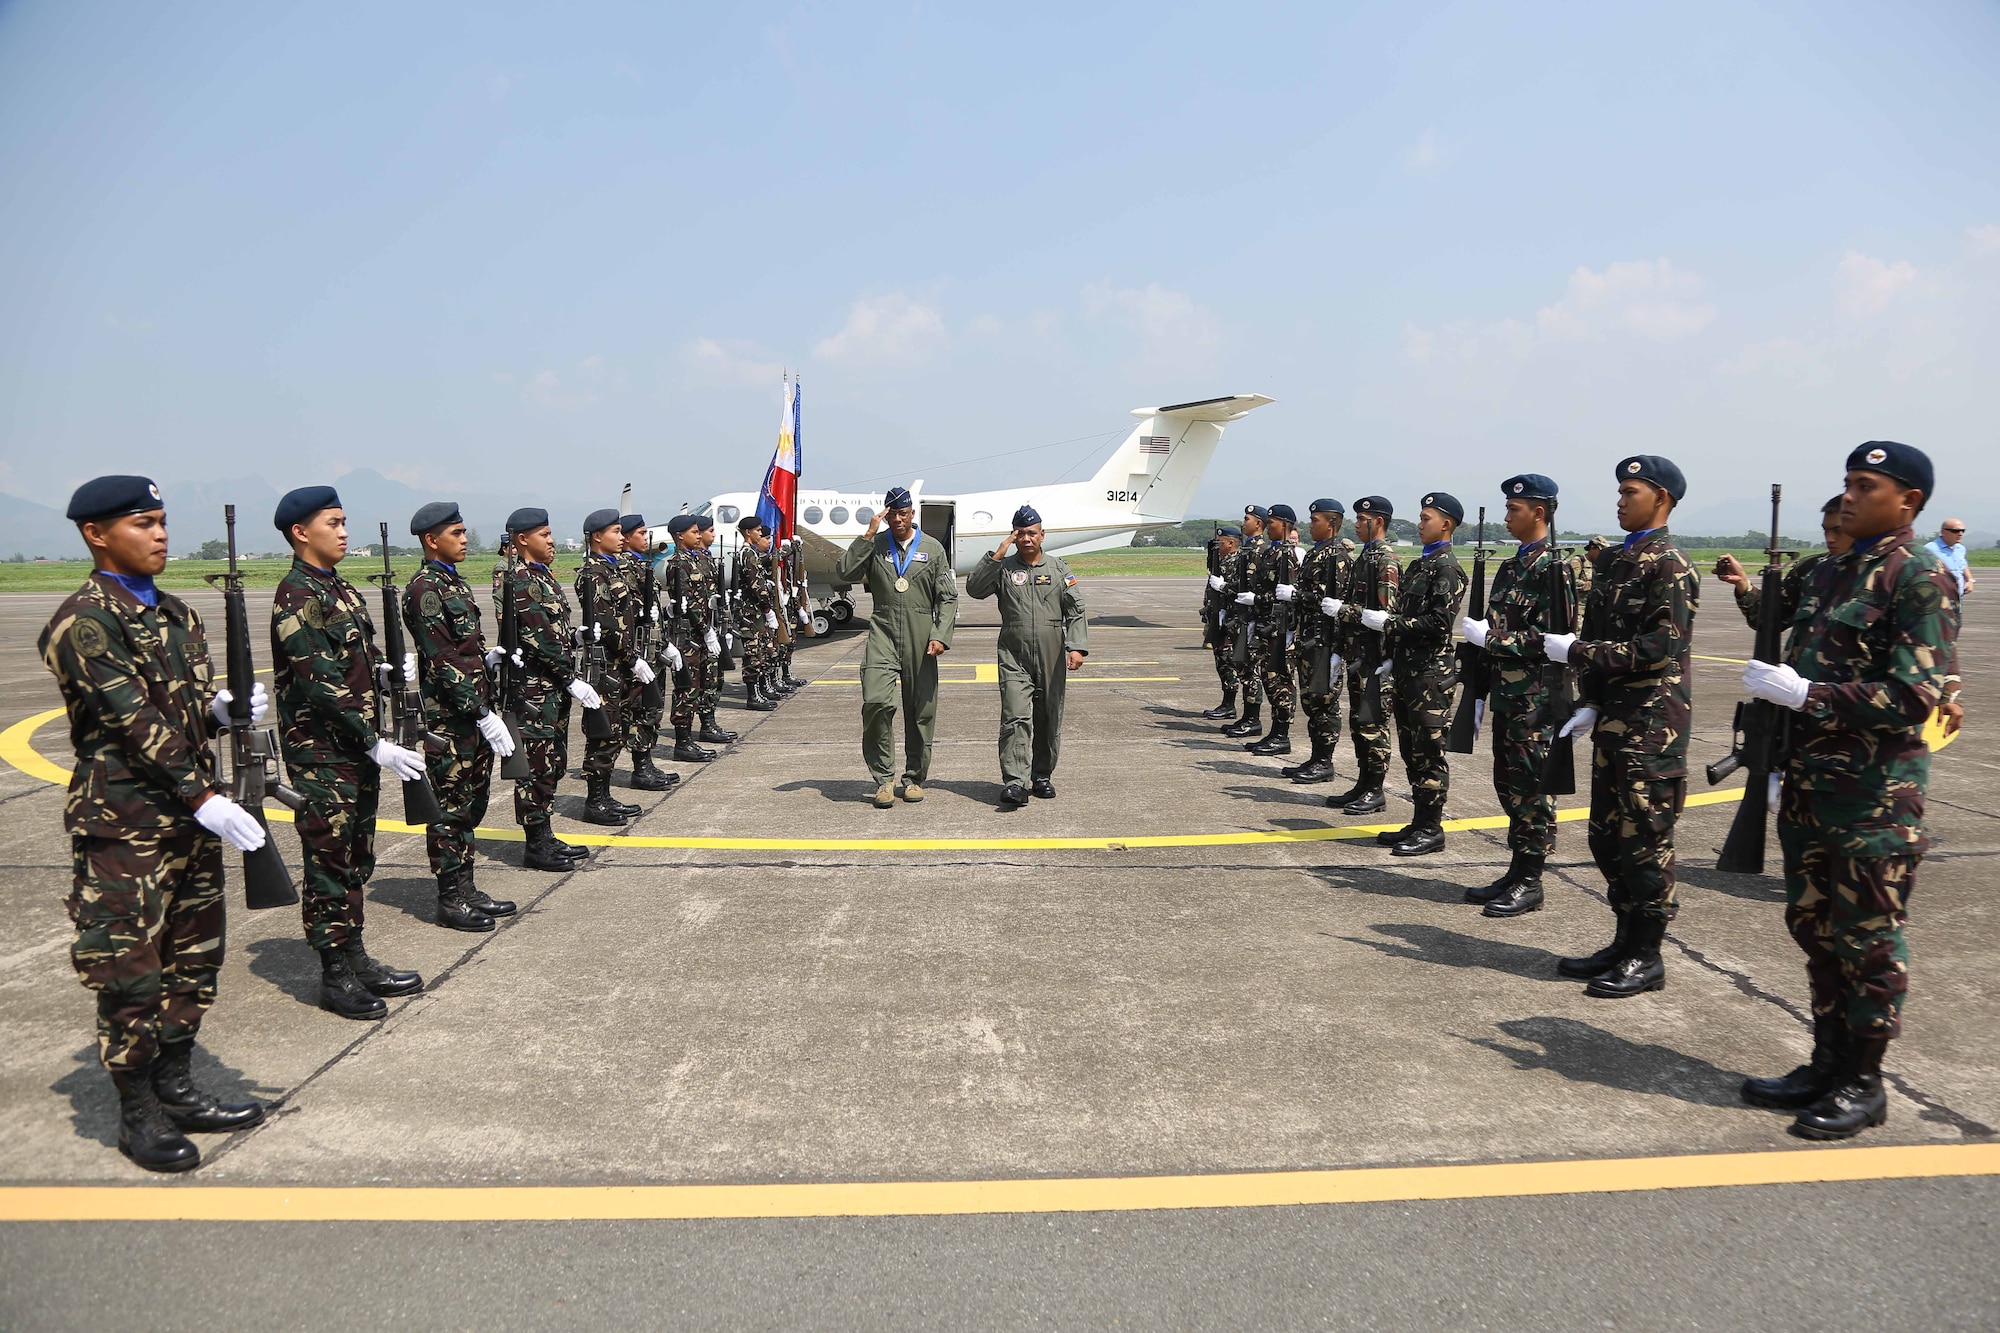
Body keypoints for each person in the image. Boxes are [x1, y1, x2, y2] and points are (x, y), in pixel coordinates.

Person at [38, 475, 269, 1172]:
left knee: (193, 962)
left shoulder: (177, 614)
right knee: (131, 973)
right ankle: (137, 1108)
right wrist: (206, 796)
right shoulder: (83, 622)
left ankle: (177, 1083)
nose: (160, 534)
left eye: (163, 520)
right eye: (143, 522)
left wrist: (220, 711)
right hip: (126, 827)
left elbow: (182, 709)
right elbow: (131, 722)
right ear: (96, 533)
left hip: (190, 825)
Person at [1738, 441, 1957, 1140]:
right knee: (1814, 928)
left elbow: (1917, 694)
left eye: (1866, 486)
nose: (1850, 497)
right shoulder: (1833, 573)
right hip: (1810, 785)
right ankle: (1826, 1062)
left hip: (1872, 797)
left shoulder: (1917, 576)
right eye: (1848, 484)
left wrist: (1811, 695)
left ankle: (1865, 1081)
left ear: (1908, 501)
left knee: (1868, 941)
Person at [268, 485, 426, 1020]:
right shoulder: (296, 595)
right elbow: (319, 682)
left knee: (357, 854)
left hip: (353, 750)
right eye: (333, 523)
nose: (343, 531)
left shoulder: (341, 589)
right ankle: (334, 973)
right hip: (323, 753)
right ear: (300, 532)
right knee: (329, 859)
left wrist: (383, 670)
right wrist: (372, 741)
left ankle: (355, 954)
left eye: (343, 521)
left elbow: (358, 651)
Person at [1544, 456, 1699, 998]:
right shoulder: (1616, 561)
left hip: (1651, 726)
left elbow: (1658, 649)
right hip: (1614, 720)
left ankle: (1647, 954)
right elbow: (1600, 628)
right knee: (1607, 837)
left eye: (1629, 492)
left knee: (1646, 839)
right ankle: (1623, 940)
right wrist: (1589, 698)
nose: (1619, 500)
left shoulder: (1670, 565)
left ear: (1661, 497)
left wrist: (1579, 652)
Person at [1460, 474, 1575, 914]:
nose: (1508, 516)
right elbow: (1501, 626)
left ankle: (1531, 879)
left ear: (1539, 513)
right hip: (1508, 697)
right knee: (1507, 785)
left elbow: (1554, 639)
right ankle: (1516, 868)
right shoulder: (1510, 567)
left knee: (1532, 789)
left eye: (1514, 509)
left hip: (1536, 701)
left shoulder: (1555, 570)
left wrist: (1490, 642)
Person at [402, 501, 518, 931]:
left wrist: (488, 659)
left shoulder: (455, 585)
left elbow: (464, 649)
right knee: (449, 807)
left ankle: (466, 886)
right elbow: (442, 660)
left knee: (472, 802)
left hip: (473, 710)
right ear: (432, 541)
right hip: (452, 718)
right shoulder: (424, 590)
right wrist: (482, 711)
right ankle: (450, 896)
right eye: (457, 533)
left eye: (465, 531)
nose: (466, 539)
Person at [834, 486, 959, 808]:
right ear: (885, 514)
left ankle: (914, 778)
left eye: (903, 513)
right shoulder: (875, 545)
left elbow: (946, 597)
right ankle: (883, 779)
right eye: (892, 514)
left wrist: (940, 634)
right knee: (876, 702)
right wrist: (868, 535)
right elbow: (846, 572)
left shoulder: (932, 549)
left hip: (921, 638)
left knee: (920, 712)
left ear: (912, 514)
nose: (898, 519)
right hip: (883, 633)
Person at [1361, 492, 1466, 856]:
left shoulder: (1447, 568)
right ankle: (1420, 820)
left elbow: (1438, 623)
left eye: (1426, 519)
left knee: (1429, 751)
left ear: (1446, 524)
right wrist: (1392, 654)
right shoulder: (1421, 566)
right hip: (1408, 671)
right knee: (1411, 749)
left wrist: (1390, 623)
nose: (1420, 524)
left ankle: (1432, 827)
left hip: (1429, 676)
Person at [965, 504, 1089, 805]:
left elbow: (1076, 609)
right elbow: (974, 589)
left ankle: (1042, 775)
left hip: (1052, 651)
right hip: (1013, 652)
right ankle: (1015, 782)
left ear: (1042, 535)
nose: (1026, 539)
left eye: (1031, 533)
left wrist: (1077, 646)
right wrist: (996, 554)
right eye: (1019, 534)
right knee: (1015, 716)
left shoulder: (1059, 569)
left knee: (1049, 716)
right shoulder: (1004, 568)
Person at [502, 508, 599, 870]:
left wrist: (575, 638)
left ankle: (545, 832)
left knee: (552, 763)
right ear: (523, 539)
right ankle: (535, 843)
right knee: (534, 767)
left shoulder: (543, 578)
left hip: (551, 689)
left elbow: (553, 633)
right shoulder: (521, 579)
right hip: (534, 692)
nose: (552, 540)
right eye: (544, 534)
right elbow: (538, 638)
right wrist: (570, 678)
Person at [1325, 497, 1401, 814]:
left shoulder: (1385, 560)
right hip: (1359, 656)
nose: (1356, 524)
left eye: (1362, 519)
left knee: (1373, 725)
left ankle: (1376, 789)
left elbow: (1385, 613)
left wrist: (1343, 611)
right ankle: (1363, 782)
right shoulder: (1366, 557)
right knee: (1359, 723)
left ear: (1378, 522)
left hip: (1376, 658)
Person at [575, 508, 649, 824]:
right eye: (616, 532)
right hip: (606, 666)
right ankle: (595, 802)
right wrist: (633, 659)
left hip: (619, 665)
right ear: (597, 536)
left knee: (615, 733)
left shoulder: (612, 570)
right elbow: (606, 626)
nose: (622, 537)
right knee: (603, 734)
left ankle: (603, 796)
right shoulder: (593, 575)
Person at [1285, 499, 1352, 784]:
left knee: (1325, 703)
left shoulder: (1337, 557)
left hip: (1325, 641)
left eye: (1315, 520)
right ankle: (1316, 757)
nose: (1310, 524)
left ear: (1331, 523)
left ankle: (1324, 761)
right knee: (1311, 702)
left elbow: (1331, 602)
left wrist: (1295, 596)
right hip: (1309, 639)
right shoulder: (1317, 553)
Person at [1716, 495, 1848, 627]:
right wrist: (1742, 583)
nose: (1830, 538)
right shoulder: (1811, 569)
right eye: (1826, 530)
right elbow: (1767, 619)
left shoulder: (1868, 573)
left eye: (1838, 530)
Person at [619, 514, 679, 792]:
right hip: (639, 652)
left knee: (653, 709)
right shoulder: (624, 568)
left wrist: (664, 637)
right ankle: (640, 767)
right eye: (640, 533)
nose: (645, 538)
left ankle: (647, 762)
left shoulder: (641, 566)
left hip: (653, 648)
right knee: (642, 710)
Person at [1245, 503, 1302, 757]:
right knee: (1269, 680)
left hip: (1280, 629)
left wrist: (1258, 601)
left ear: (1286, 525)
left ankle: (1282, 735)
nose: (1269, 526)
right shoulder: (1271, 553)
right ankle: (1274, 732)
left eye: (1273, 522)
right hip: (1266, 627)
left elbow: (1286, 597)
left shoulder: (1286, 554)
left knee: (1281, 682)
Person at [663, 514, 721, 764]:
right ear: (679, 536)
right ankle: (682, 741)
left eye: (699, 532)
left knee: (706, 681)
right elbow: (687, 603)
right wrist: (705, 629)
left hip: (703, 632)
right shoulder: (678, 564)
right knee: (687, 687)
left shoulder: (699, 559)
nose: (699, 535)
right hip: (688, 636)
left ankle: (705, 726)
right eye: (694, 532)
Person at [1219, 506, 1270, 738]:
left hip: (1251, 619)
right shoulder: (1250, 548)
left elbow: (1253, 586)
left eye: (1247, 519)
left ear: (1258, 523)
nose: (1243, 522)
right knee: (1243, 669)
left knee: (1251, 671)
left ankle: (1253, 719)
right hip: (1241, 617)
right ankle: (1247, 717)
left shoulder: (1260, 550)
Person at [690, 515, 738, 742]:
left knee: (714, 679)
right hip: (700, 631)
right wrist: (708, 630)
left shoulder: (706, 558)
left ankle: (709, 723)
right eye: (709, 530)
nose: (712, 534)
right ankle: (705, 726)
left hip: (714, 625)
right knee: (703, 681)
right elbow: (695, 600)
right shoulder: (693, 561)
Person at [734, 515, 782, 712]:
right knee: (753, 655)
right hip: (750, 613)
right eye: (758, 531)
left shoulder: (750, 553)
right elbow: (757, 587)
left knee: (761, 652)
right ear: (748, 532)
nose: (761, 534)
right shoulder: (748, 554)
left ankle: (759, 692)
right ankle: (753, 696)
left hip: (755, 612)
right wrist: (768, 608)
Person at [1201, 525, 1246, 720]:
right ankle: (1226, 703)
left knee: (1228, 662)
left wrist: (1224, 588)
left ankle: (1229, 704)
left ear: (1231, 543)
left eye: (1220, 542)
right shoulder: (1220, 561)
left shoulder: (1239, 562)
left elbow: (1240, 589)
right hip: (1218, 618)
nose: (1217, 546)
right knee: (1221, 661)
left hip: (1231, 620)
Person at [1923, 518, 1972, 596]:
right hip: (1939, 597)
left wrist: (1970, 580)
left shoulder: (1960, 549)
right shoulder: (1929, 549)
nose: (1960, 534)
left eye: (1962, 531)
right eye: (1955, 531)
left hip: (1958, 597)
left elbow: (1963, 565)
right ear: (1943, 532)